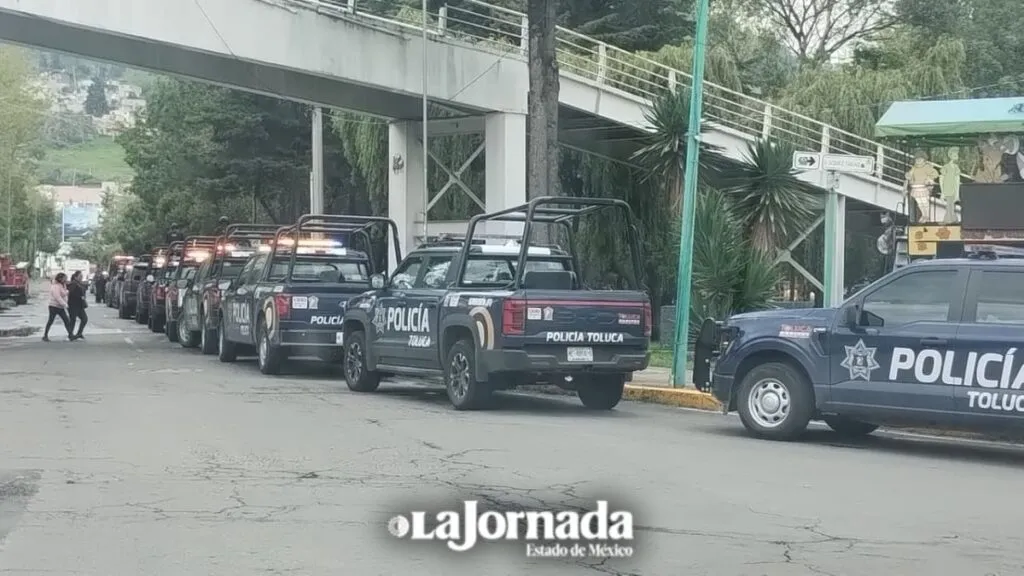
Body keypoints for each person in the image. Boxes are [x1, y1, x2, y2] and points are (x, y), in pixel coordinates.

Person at [43, 273, 73, 342]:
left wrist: (67, 291)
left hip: (60, 306)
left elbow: (64, 293)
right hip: (54, 306)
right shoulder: (55, 286)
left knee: (66, 320)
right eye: (64, 278)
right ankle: (45, 335)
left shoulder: (62, 285)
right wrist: (65, 304)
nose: (66, 279)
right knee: (50, 321)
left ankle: (71, 335)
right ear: (60, 279)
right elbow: (57, 297)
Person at [67, 271, 88, 341]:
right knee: (73, 320)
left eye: (82, 276)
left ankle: (79, 333)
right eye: (80, 276)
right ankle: (70, 335)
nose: (81, 277)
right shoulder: (73, 284)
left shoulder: (79, 283)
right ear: (75, 277)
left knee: (84, 319)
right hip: (73, 305)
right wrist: (80, 296)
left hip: (80, 305)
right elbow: (71, 293)